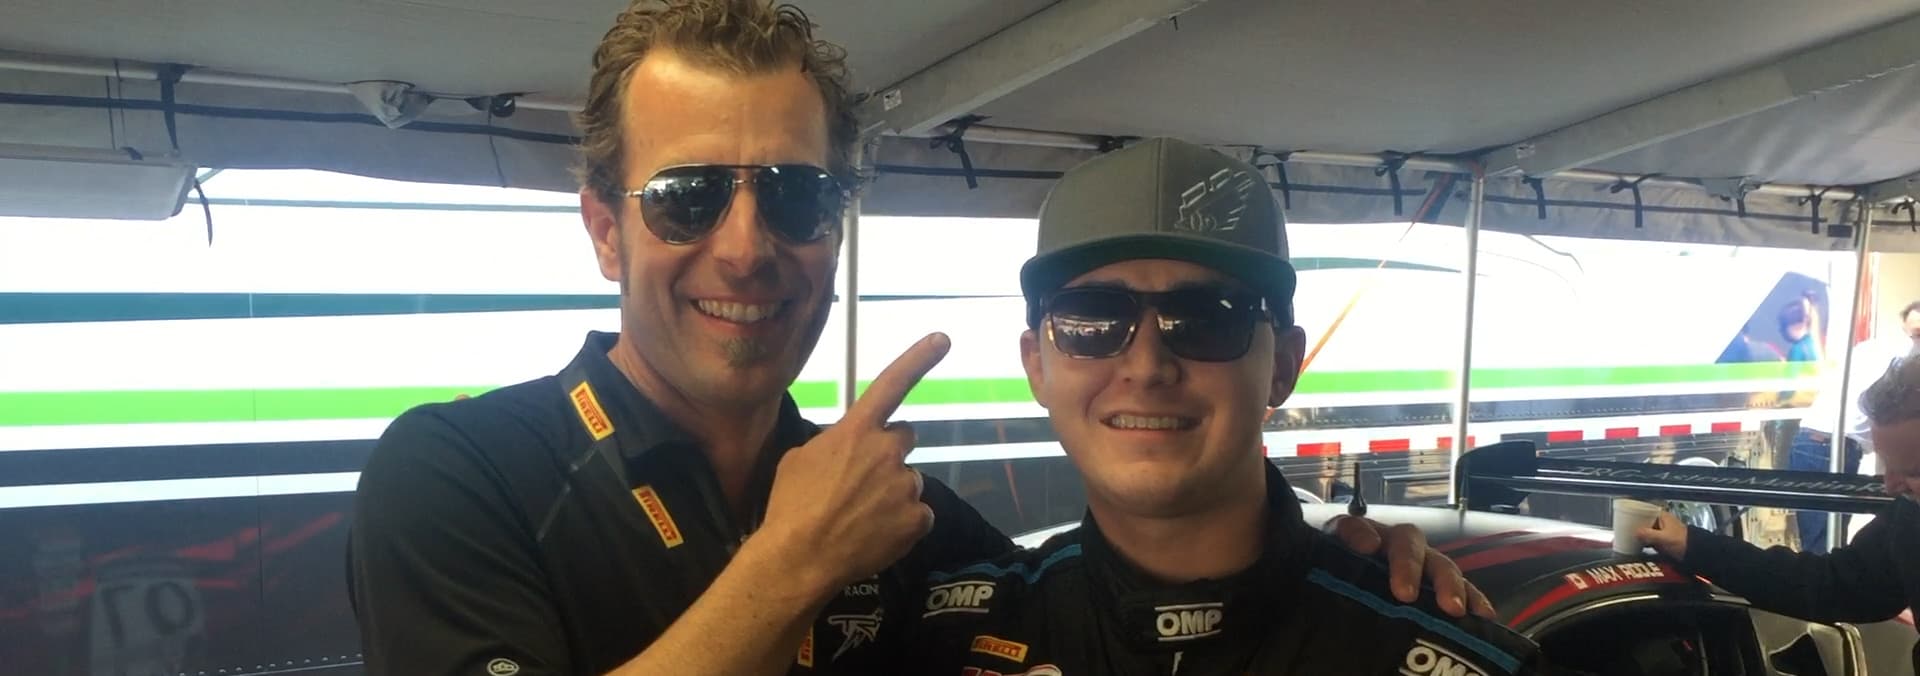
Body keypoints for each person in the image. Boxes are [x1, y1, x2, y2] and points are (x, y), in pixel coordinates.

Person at [344, 3, 1488, 675]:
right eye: (688, 196)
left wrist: (1352, 562)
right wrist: (790, 566)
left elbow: (1111, 584)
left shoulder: (897, 519)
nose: (745, 248)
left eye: (794, 196)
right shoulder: (460, 471)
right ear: (605, 228)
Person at [899, 138, 1545, 674]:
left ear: (1283, 367)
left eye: (1208, 318)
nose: (1147, 366)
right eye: (1091, 319)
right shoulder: (935, 638)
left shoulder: (1439, 652)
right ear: (1036, 365)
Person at [1639, 355, 1920, 674]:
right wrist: (1694, 545)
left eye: (1913, 472)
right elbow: (1829, 585)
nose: (1890, 486)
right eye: (1887, 465)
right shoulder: (1909, 520)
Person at [1789, 299, 1920, 552]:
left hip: (1821, 443)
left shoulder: (1875, 347)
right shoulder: (1902, 355)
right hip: (1827, 445)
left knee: (1825, 540)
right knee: (1823, 544)